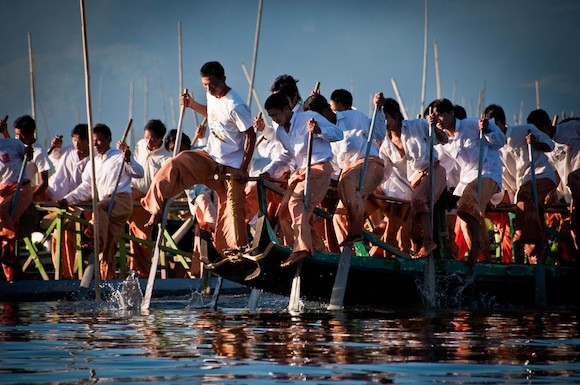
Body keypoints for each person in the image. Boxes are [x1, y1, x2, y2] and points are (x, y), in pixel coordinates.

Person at [141, 61, 256, 254]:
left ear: (223, 80)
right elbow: (212, 114)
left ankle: (235, 249)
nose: (209, 89)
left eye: (213, 84)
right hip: (211, 157)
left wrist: (243, 168)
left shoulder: (236, 105)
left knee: (233, 208)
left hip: (231, 167)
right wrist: (193, 104)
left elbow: (250, 135)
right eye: (205, 85)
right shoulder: (211, 96)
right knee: (177, 162)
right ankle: (155, 206)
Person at [261, 92, 343, 266]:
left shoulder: (310, 117)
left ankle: (302, 249)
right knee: (283, 214)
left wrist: (319, 130)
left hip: (319, 169)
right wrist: (269, 171)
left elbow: (338, 133)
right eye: (271, 116)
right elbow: (285, 155)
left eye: (276, 114)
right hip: (301, 173)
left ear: (286, 109)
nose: (274, 119)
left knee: (295, 202)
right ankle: (307, 249)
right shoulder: (280, 131)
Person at [58, 123, 144, 280]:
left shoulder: (119, 156)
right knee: (109, 248)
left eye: (99, 140)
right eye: (93, 141)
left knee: (97, 210)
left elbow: (139, 173)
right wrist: (67, 199)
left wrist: (128, 158)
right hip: (106, 203)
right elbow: (86, 188)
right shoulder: (93, 162)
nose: (95, 144)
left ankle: (94, 241)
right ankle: (107, 280)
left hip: (120, 200)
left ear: (108, 139)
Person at [302, 91, 386, 246]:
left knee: (346, 182)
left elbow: (379, 134)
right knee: (338, 217)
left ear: (326, 111)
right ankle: (349, 254)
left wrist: (378, 110)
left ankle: (356, 232)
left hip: (369, 164)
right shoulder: (321, 134)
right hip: (348, 174)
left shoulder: (354, 117)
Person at [429, 98, 505, 265]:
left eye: (441, 115)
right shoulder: (444, 141)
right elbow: (443, 165)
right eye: (435, 115)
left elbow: (500, 142)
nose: (438, 119)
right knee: (464, 218)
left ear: (451, 113)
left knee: (469, 202)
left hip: (487, 172)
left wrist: (487, 131)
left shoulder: (471, 125)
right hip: (468, 178)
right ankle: (480, 257)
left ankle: (481, 253)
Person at [485, 105, 557, 263]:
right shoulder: (497, 148)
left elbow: (550, 145)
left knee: (525, 198)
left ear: (498, 123)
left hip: (541, 175)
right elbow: (509, 179)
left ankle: (527, 235)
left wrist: (536, 142)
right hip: (524, 185)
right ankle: (536, 259)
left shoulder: (525, 129)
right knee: (533, 209)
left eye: (490, 127)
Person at [381, 98, 448, 258]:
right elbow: (385, 174)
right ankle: (414, 249)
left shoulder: (417, 125)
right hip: (415, 181)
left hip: (434, 170)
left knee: (419, 201)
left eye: (386, 118)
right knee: (409, 216)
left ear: (396, 116)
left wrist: (433, 127)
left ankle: (428, 242)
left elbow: (443, 139)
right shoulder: (385, 145)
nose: (383, 122)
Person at [528, 111, 580, 256]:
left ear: (549, 123)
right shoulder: (545, 148)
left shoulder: (571, 128)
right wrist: (550, 193)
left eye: (541, 128)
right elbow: (554, 173)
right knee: (569, 230)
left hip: (578, 179)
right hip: (568, 192)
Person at [44, 124, 91, 278]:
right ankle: (64, 273)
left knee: (76, 236)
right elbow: (53, 157)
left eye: (80, 141)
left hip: (80, 202)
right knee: (60, 236)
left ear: (88, 141)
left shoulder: (94, 158)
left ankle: (72, 272)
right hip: (58, 198)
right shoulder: (69, 151)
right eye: (75, 140)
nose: (77, 144)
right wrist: (55, 146)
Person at [127, 119, 172, 278]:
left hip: (148, 201)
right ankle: (132, 271)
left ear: (161, 139)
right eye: (147, 137)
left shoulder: (166, 158)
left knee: (143, 238)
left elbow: (162, 185)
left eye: (152, 139)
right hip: (131, 194)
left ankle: (142, 274)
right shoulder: (140, 145)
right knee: (131, 236)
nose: (149, 141)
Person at [0, 119, 33, 281]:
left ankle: (7, 249)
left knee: (3, 213)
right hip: (3, 190)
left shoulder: (11, 144)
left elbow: (29, 153)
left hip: (21, 188)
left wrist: (28, 151)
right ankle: (10, 277)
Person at [13, 115, 51, 201]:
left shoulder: (39, 152)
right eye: (16, 135)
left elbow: (44, 183)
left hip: (21, 192)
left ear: (31, 133)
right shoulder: (16, 142)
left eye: (21, 135)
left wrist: (29, 198)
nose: (18, 138)